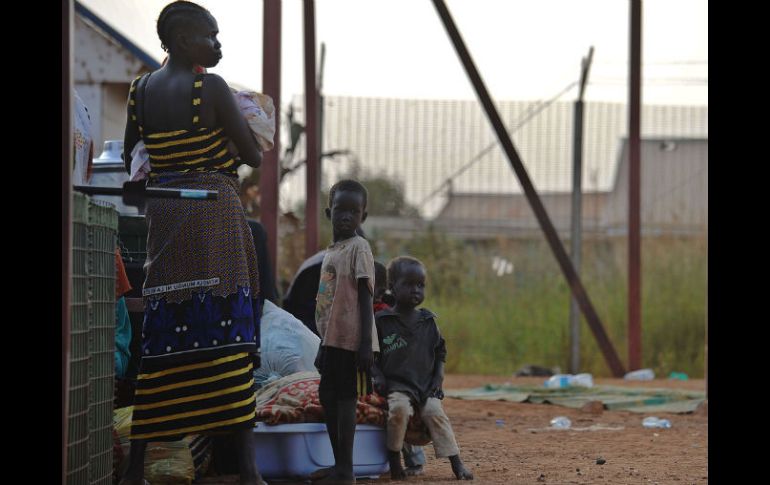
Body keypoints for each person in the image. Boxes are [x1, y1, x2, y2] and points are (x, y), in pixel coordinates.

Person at [120, 2, 266, 484]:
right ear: (184, 41)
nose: (218, 46)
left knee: (162, 342)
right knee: (229, 337)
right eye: (212, 36)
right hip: (215, 218)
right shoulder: (212, 88)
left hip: (166, 217)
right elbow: (252, 155)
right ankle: (246, 472)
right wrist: (227, 140)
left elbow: (130, 158)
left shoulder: (139, 92)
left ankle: (136, 470)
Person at [373, 256, 473, 481]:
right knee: (398, 411)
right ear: (392, 287)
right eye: (408, 284)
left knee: (435, 413)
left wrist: (438, 379)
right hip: (397, 385)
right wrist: (377, 375)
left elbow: (440, 352)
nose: (415, 290)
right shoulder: (382, 320)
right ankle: (394, 461)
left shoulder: (428, 321)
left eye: (420, 285)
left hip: (426, 385)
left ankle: (456, 462)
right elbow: (372, 356)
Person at [314, 179, 379, 484]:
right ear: (330, 212)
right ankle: (340, 464)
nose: (346, 216)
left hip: (352, 342)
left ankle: (347, 470)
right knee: (327, 396)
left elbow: (366, 298)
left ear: (363, 217)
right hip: (331, 341)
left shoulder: (359, 248)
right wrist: (321, 343)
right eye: (341, 209)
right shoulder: (331, 251)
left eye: (354, 211)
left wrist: (366, 344)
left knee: (345, 401)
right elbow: (328, 305)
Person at [372, 261, 425, 476]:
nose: (372, 292)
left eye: (375, 288)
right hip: (378, 373)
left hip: (396, 377)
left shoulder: (387, 313)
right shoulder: (367, 310)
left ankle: (414, 460)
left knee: (401, 410)